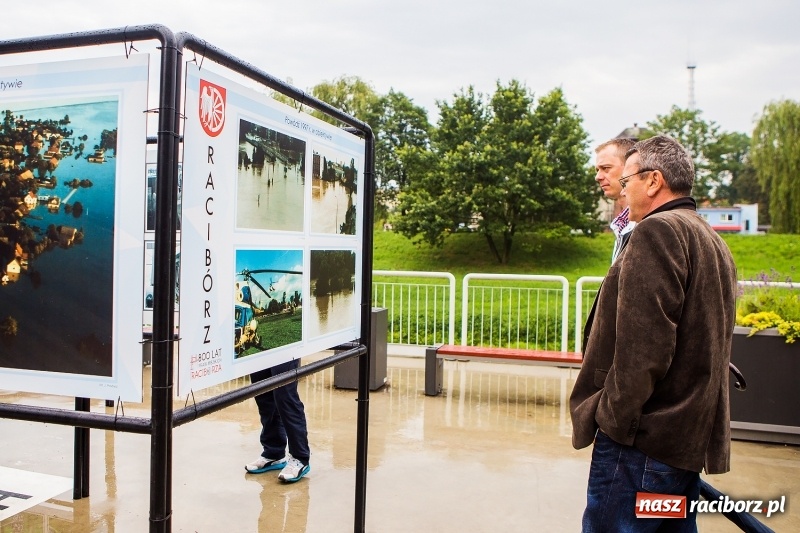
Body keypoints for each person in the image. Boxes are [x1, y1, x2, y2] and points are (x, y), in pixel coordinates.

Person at [570, 135, 737, 532]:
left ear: (653, 181)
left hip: (641, 445)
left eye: (626, 181)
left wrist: (613, 420)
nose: (622, 191)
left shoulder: (655, 232)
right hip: (680, 443)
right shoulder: (710, 238)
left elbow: (643, 351)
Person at [245, 359, 311, 483]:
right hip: (261, 346)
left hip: (287, 343)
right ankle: (273, 453)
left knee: (285, 395)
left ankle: (300, 457)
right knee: (262, 392)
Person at [594, 137, 637, 262]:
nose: (598, 177)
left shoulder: (646, 223)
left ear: (629, 168)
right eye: (597, 170)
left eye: (606, 168)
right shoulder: (621, 224)